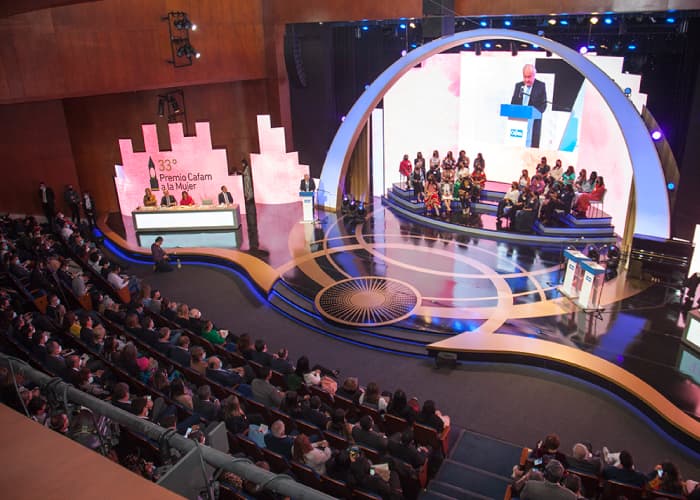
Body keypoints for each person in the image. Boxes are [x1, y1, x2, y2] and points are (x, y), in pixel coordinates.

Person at [511, 64, 547, 148]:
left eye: (529, 77)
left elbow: (543, 105)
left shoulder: (540, 86)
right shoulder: (518, 86)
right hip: (519, 124)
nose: (527, 80)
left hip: (533, 124)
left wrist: (532, 113)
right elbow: (513, 103)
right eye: (525, 77)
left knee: (532, 147)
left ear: (534, 75)